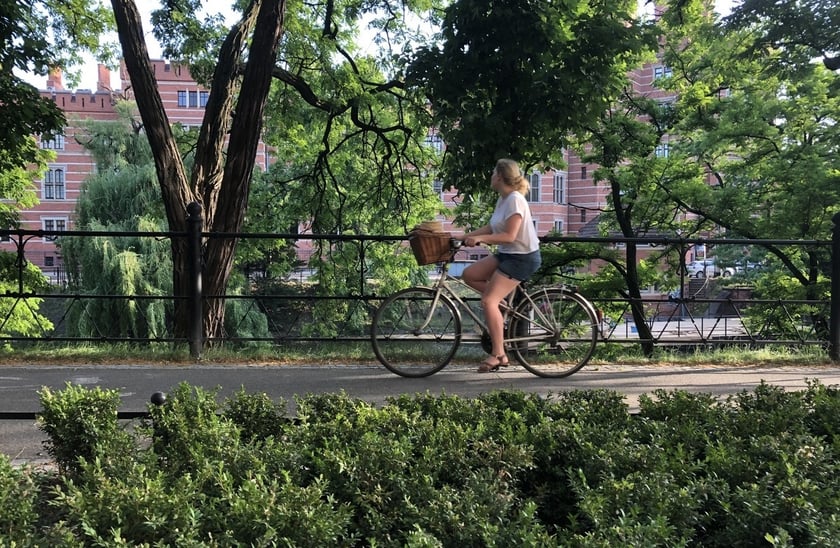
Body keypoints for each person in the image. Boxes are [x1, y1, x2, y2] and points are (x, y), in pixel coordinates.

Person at [459, 158, 542, 373]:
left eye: (493, 172)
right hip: (507, 254)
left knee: (488, 301)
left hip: (522, 258)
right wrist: (465, 236)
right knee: (469, 274)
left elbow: (509, 235)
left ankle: (499, 354)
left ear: (500, 176)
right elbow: (492, 226)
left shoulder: (515, 199)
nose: (490, 176)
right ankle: (501, 304)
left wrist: (481, 240)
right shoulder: (503, 199)